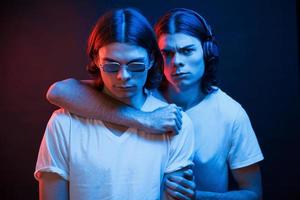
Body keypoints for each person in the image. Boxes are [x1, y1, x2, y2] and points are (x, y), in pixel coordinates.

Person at [47, 8, 264, 199]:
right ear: (156, 58)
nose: (177, 62)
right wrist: (145, 120)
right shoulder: (135, 92)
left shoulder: (230, 114)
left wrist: (197, 197)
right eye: (166, 53)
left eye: (187, 50)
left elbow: (253, 193)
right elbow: (60, 91)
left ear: (207, 51)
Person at [35, 8, 195, 200]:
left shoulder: (175, 124)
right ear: (96, 60)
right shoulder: (63, 123)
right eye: (111, 65)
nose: (123, 76)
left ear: (152, 60)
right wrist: (144, 120)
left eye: (136, 65)